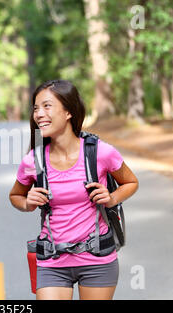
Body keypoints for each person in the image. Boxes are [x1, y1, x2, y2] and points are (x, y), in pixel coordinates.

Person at [9, 79, 138, 300]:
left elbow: (131, 182)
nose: (39, 114)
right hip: (52, 260)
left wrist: (111, 198)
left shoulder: (100, 152)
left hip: (97, 259)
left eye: (47, 106)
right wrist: (27, 202)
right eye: (36, 108)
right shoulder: (34, 160)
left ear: (68, 112)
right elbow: (15, 196)